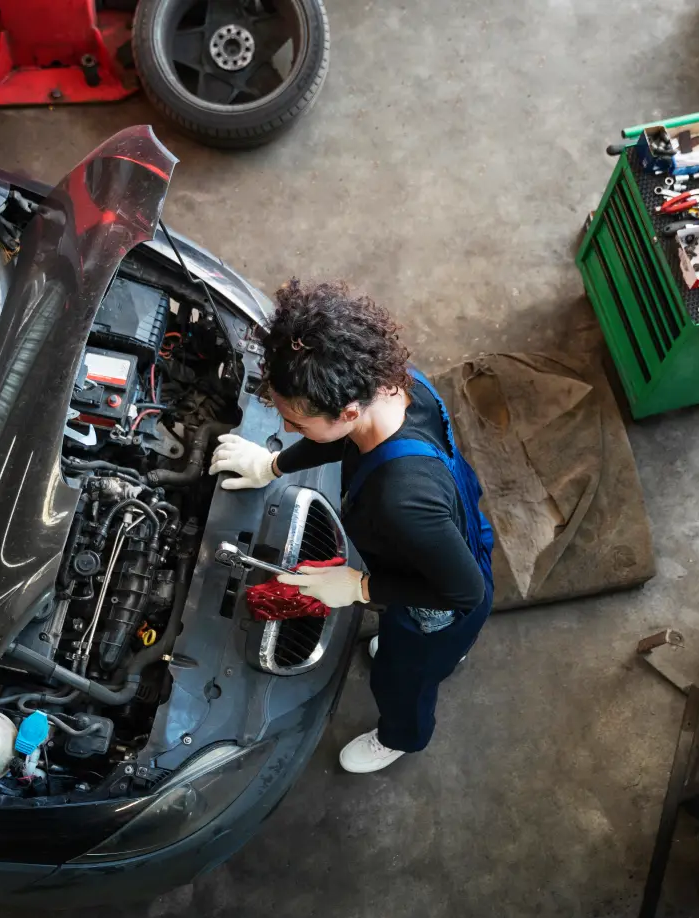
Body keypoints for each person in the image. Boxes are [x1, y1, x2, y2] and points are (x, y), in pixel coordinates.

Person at [209, 279, 494, 774]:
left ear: (347, 411)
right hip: (453, 535)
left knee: (400, 680)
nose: (289, 429)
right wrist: (272, 465)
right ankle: (437, 653)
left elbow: (464, 592)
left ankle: (402, 734)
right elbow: (339, 438)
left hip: (442, 605)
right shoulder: (392, 385)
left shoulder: (400, 500)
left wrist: (360, 586)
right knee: (409, 641)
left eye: (297, 424)